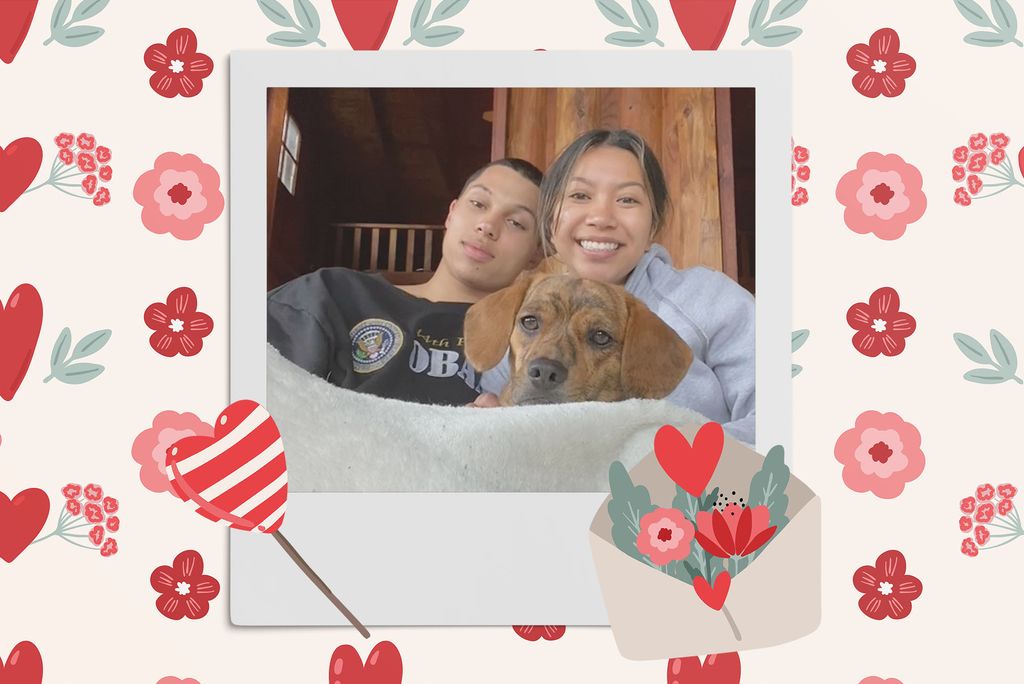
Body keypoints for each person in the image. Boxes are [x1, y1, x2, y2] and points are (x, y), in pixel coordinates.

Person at [480, 130, 756, 444]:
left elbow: (786, 419)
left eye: (627, 199)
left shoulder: (708, 299)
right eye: (580, 196)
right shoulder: (525, 305)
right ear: (550, 218)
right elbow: (496, 410)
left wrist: (667, 467)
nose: (601, 217)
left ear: (653, 224)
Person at [268, 158, 543, 405]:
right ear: (451, 213)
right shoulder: (334, 294)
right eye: (478, 204)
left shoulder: (531, 342)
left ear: (535, 255)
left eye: (516, 223)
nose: (488, 225)